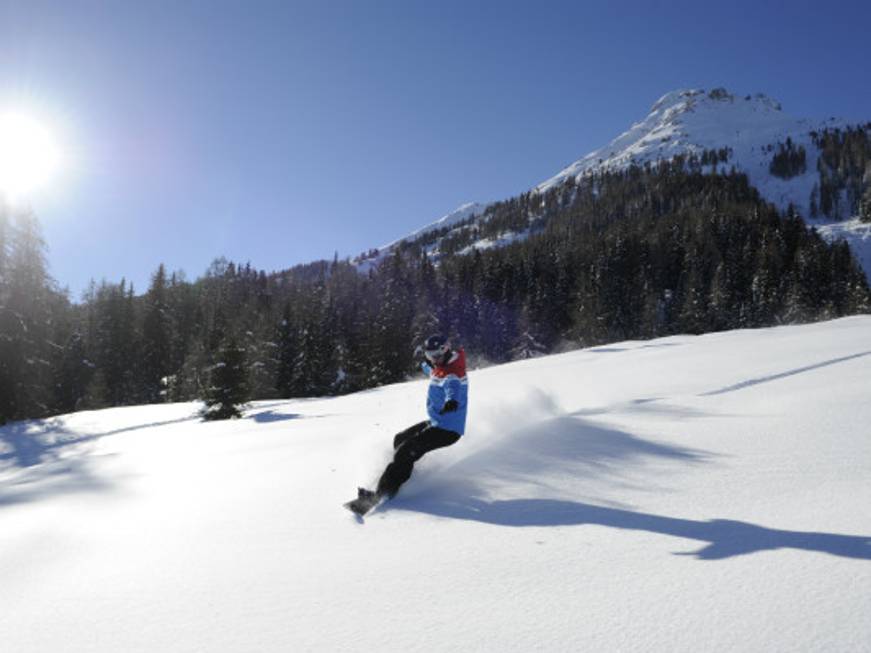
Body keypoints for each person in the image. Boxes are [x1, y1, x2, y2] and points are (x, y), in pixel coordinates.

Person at [348, 335, 468, 514]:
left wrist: (452, 401)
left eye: (436, 354)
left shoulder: (452, 373)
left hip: (447, 430)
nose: (433, 359)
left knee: (405, 451)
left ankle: (380, 495)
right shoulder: (440, 366)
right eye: (429, 355)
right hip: (438, 422)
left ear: (446, 350)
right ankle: (401, 471)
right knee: (400, 439)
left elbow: (453, 387)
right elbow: (435, 373)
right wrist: (424, 366)